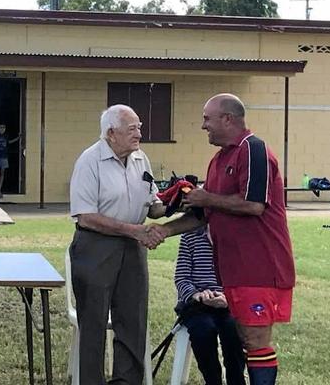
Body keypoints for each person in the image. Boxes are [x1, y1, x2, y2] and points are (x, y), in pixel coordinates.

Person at [151, 93, 295, 385]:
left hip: (261, 268)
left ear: (228, 119)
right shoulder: (218, 160)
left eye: (207, 118)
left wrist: (207, 197)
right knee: (245, 338)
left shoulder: (253, 150)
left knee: (255, 340)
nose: (203, 126)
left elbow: (255, 204)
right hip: (233, 270)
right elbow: (202, 215)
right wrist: (162, 230)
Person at [69, 104, 166, 384]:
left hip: (132, 247)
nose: (139, 134)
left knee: (133, 320)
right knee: (94, 322)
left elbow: (153, 204)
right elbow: (85, 216)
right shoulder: (89, 161)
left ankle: (126, 381)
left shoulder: (140, 159)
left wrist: (178, 201)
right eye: (132, 129)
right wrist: (134, 231)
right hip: (95, 246)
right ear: (111, 133)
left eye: (139, 127)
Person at [174, 227, 246, 385]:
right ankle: (212, 380)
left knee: (233, 329)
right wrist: (196, 295)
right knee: (203, 329)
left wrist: (229, 298)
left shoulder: (237, 239)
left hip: (228, 303)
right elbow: (181, 277)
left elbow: (244, 278)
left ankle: (236, 380)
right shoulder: (190, 237)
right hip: (197, 305)